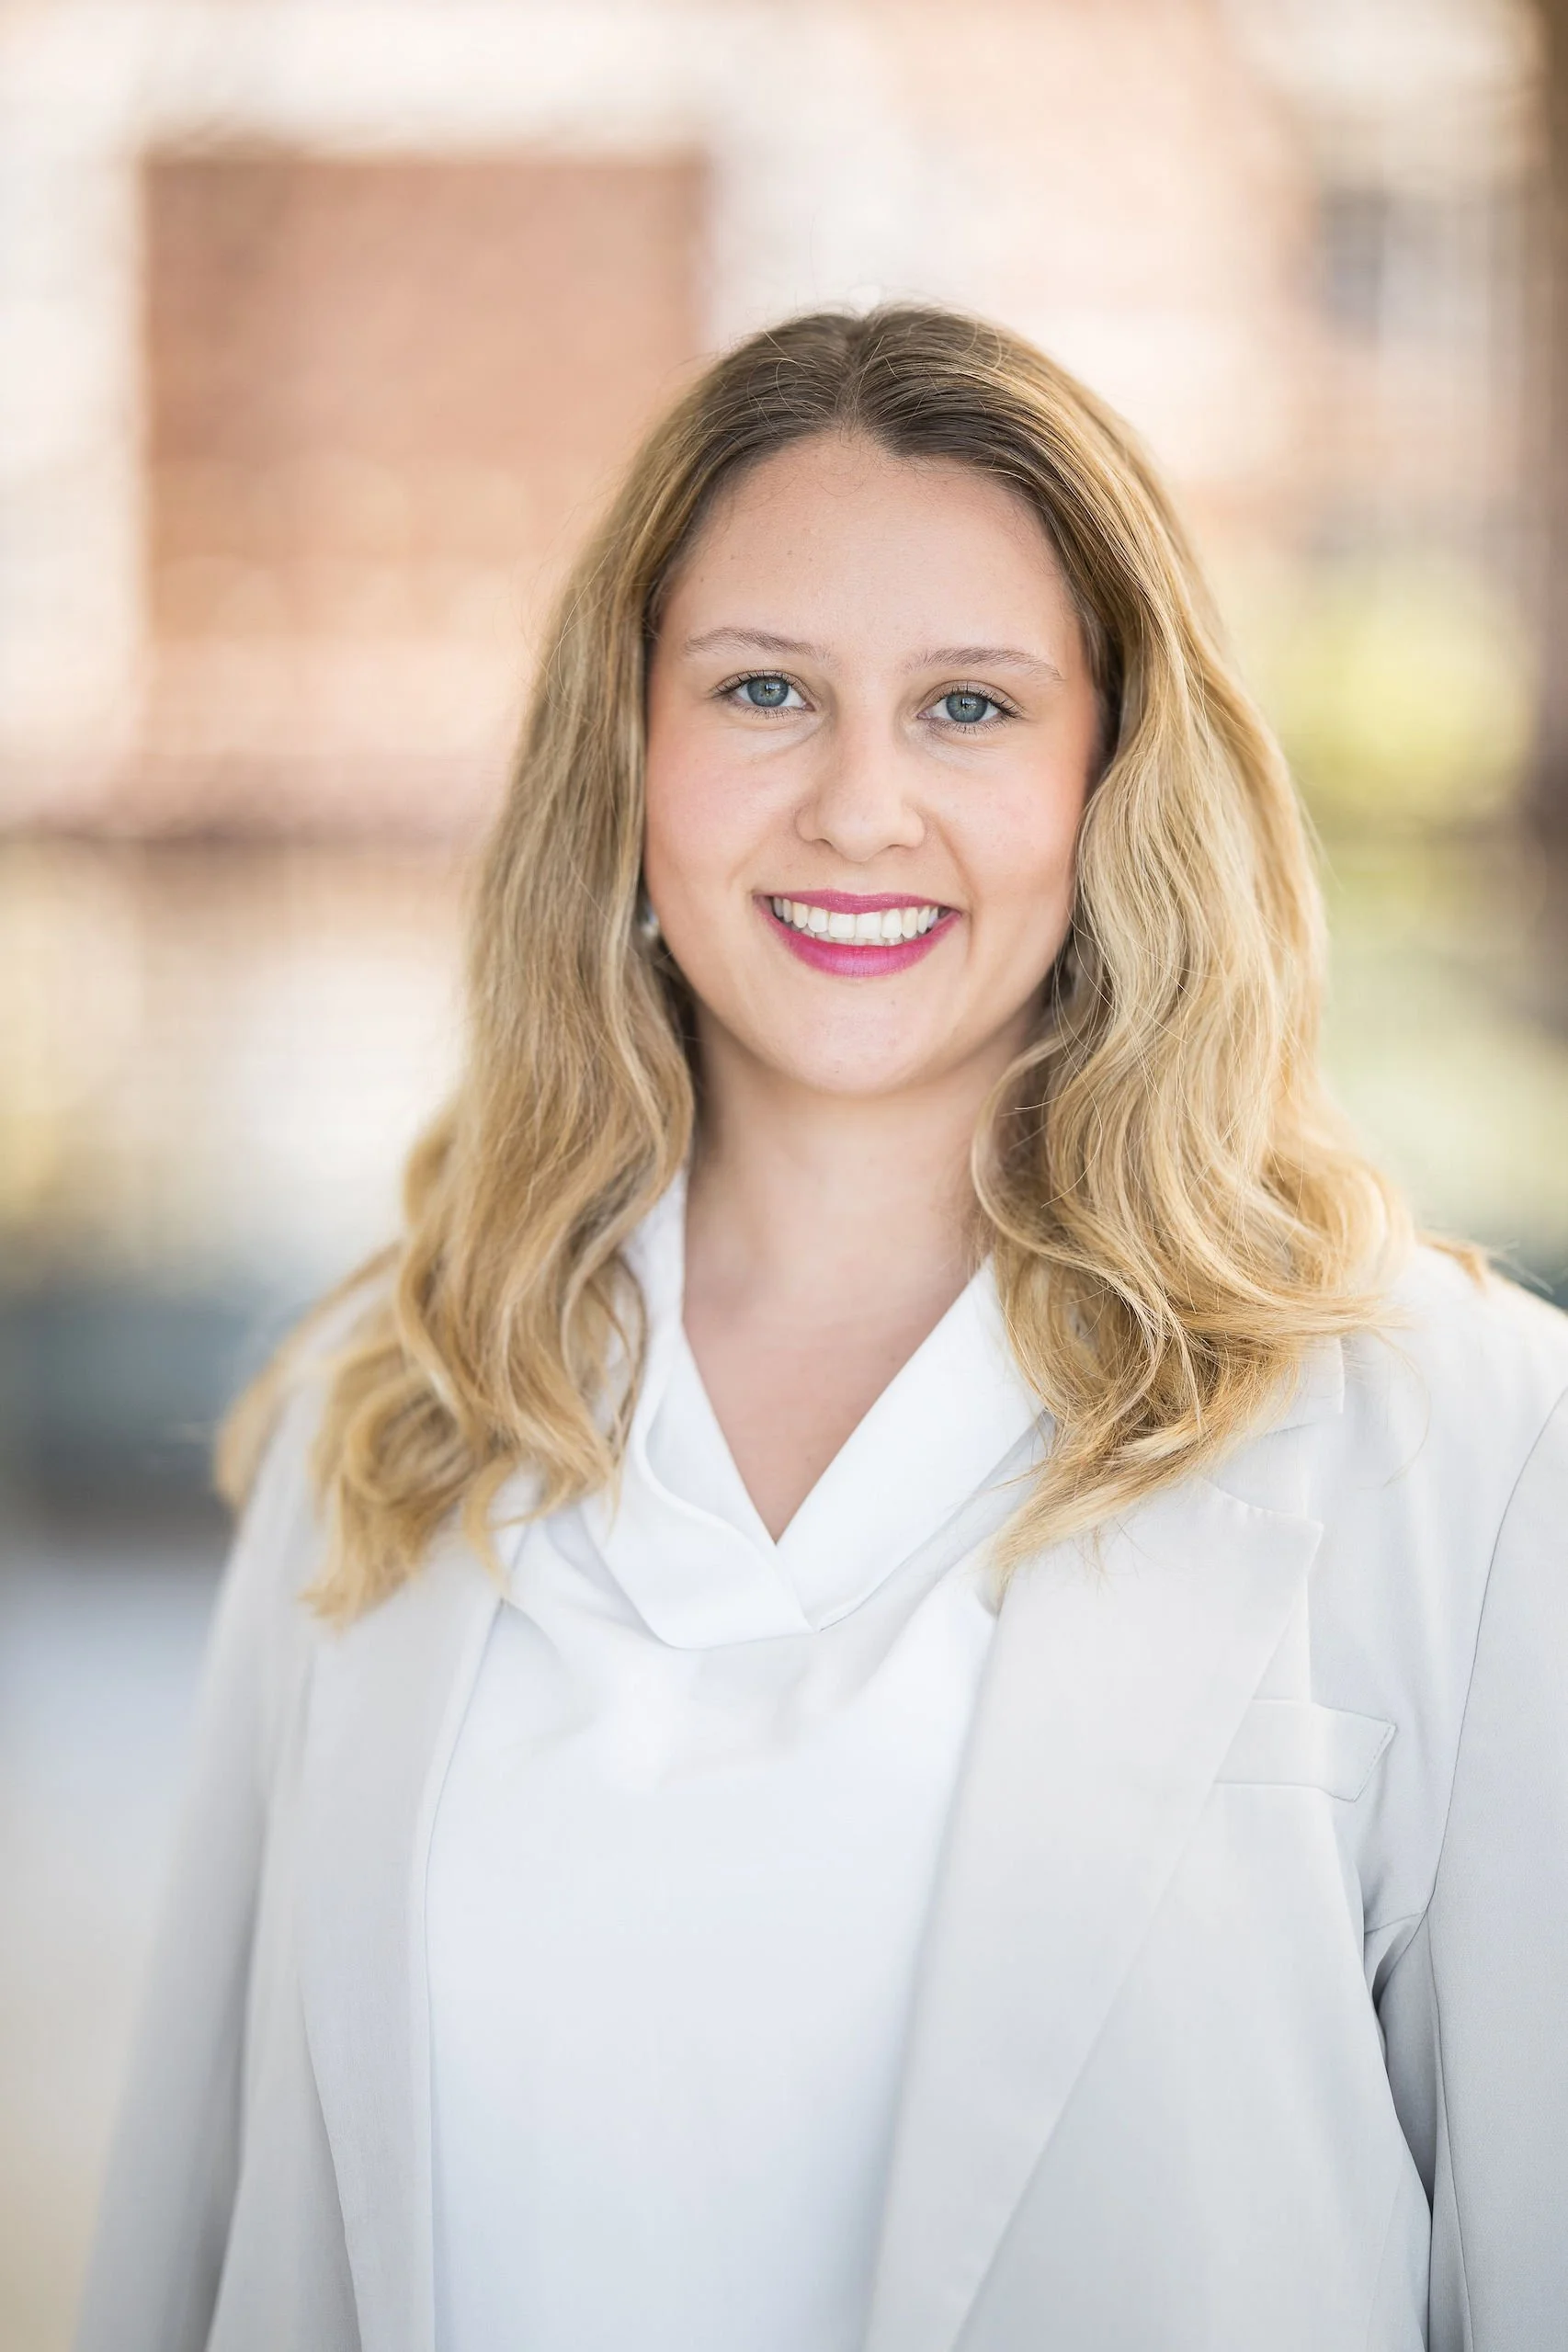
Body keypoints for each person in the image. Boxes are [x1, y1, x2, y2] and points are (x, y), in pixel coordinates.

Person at [76, 305, 1567, 2352]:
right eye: (765, 689)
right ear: (632, 750)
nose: (861, 806)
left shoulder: (1450, 1440)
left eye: (970, 707)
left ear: (1108, 774)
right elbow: (196, 2241)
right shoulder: (397, 1405)